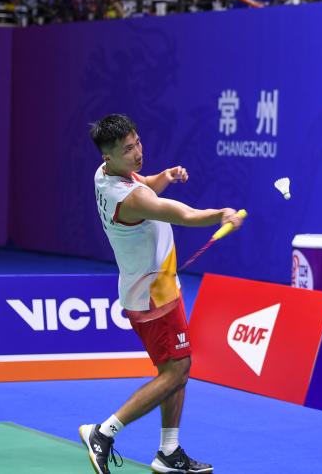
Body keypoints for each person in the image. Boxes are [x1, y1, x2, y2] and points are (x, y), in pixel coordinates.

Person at [82, 114, 243, 473]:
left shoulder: (105, 173)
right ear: (109, 155)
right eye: (129, 149)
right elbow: (181, 214)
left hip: (158, 287)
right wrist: (221, 214)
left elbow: (144, 185)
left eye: (137, 142)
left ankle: (168, 452)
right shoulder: (129, 199)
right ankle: (103, 432)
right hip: (153, 296)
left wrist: (163, 177)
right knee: (177, 371)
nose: (138, 152)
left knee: (176, 367)